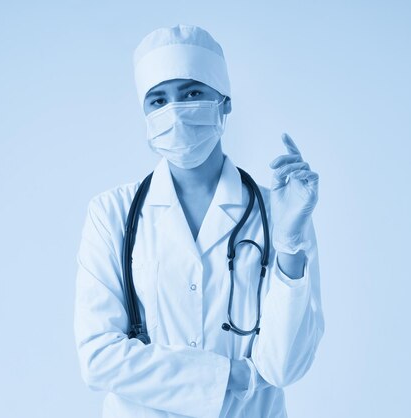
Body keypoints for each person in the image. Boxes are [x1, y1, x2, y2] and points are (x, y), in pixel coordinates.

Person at [73, 24, 324, 418]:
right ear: (146, 115)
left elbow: (283, 367)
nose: (174, 112)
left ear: (224, 103)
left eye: (191, 93)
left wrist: (291, 242)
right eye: (158, 100)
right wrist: (230, 376)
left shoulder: (278, 210)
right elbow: (99, 357)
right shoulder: (112, 214)